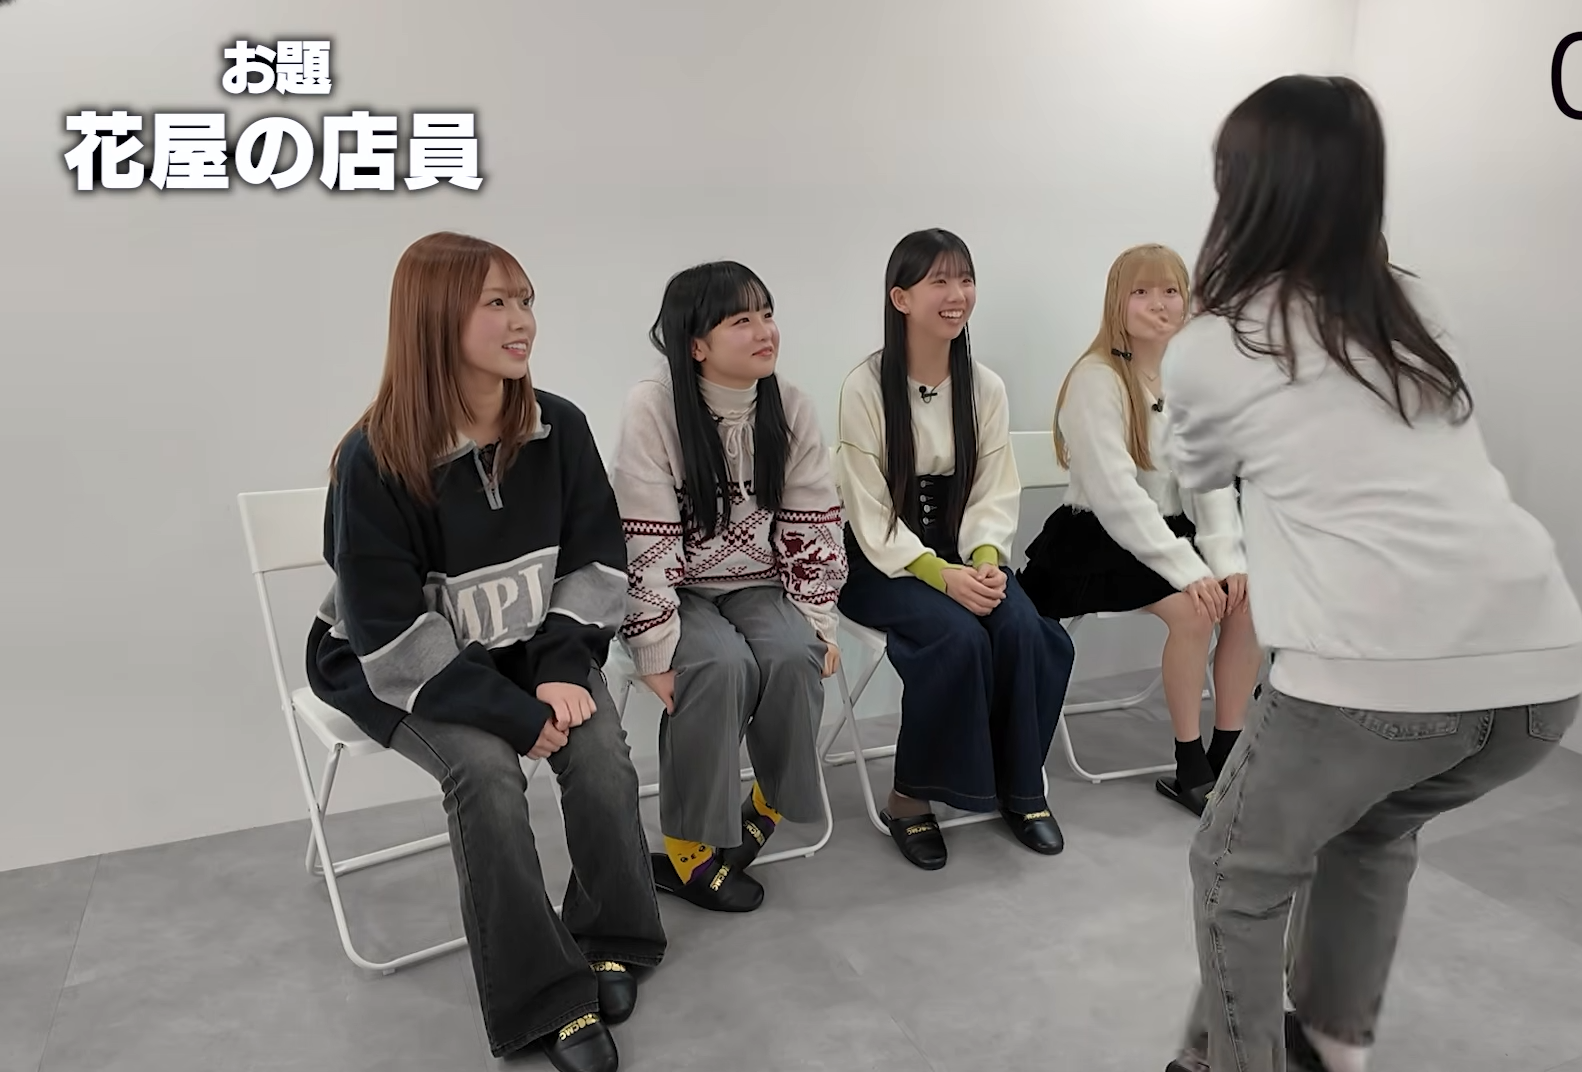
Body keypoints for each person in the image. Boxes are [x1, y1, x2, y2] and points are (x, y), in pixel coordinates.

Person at [1160, 76, 1582, 1072]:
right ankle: (1329, 1049)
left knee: (1233, 871)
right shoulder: (1414, 302)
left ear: (1241, 186)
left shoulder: (1216, 343)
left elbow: (1197, 470)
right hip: (1540, 673)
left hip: (1369, 674)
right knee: (1370, 829)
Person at [305, 231, 666, 1072]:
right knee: (488, 773)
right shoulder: (375, 459)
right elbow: (389, 631)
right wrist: (509, 712)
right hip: (398, 665)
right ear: (434, 318)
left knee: (601, 753)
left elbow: (596, 563)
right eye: (496, 303)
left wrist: (561, 667)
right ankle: (544, 999)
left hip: (528, 648)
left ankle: (612, 935)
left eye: (526, 300)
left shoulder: (559, 427)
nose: (521, 320)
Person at [833, 227, 1077, 870]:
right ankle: (908, 799)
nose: (957, 294)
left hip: (968, 552)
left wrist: (986, 564)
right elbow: (868, 506)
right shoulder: (865, 386)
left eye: (965, 279)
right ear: (901, 297)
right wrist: (939, 575)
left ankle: (1020, 788)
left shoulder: (985, 386)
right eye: (938, 280)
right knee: (957, 638)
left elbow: (994, 488)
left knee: (1028, 630)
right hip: (883, 561)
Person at [613, 260, 846, 914]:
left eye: (767, 315)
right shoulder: (653, 406)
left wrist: (819, 623)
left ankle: (768, 801)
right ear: (696, 344)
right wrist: (653, 649)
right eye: (741, 320)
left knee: (795, 656)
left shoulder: (790, 405)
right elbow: (644, 537)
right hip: (678, 590)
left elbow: (812, 524)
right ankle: (690, 848)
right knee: (718, 667)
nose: (764, 331)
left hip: (757, 583)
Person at [1018, 244, 1262, 816]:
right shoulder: (1096, 378)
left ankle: (1228, 753)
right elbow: (1116, 496)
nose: (1159, 304)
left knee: (1248, 601)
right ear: (1117, 303)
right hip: (1095, 541)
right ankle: (1189, 763)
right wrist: (1190, 571)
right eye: (1142, 292)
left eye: (1170, 291)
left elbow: (1211, 482)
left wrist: (1226, 561)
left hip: (1170, 536)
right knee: (1195, 611)